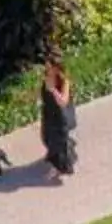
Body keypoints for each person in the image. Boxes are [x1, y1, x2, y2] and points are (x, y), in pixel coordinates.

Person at [39, 52, 77, 180]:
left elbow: (63, 102)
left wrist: (53, 90)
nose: (46, 68)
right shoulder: (45, 79)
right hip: (49, 114)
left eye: (49, 66)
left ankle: (59, 168)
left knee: (59, 143)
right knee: (46, 138)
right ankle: (61, 153)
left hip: (61, 116)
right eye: (46, 65)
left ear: (56, 68)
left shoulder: (64, 81)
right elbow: (43, 95)